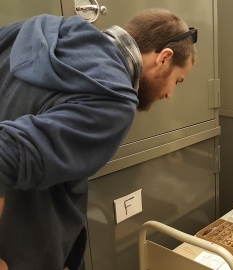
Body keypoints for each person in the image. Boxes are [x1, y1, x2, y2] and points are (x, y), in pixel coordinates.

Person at [0, 8, 196, 270]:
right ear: (164, 58)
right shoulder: (115, 100)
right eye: (177, 81)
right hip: (26, 252)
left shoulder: (38, 30)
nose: (170, 94)